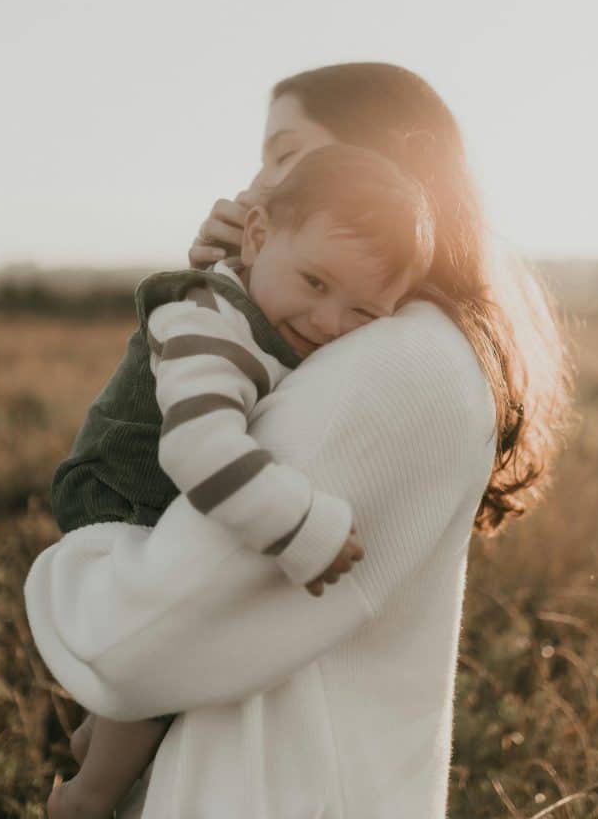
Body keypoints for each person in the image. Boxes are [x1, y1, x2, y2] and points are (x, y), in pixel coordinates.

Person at [25, 63, 572, 818]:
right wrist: (226, 280)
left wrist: (71, 583)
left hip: (274, 787)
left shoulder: (386, 359)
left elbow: (133, 637)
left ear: (382, 171)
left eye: (286, 155)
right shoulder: (381, 337)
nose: (260, 179)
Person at [44, 143, 435, 819]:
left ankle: (97, 736)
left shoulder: (278, 313)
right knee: (168, 651)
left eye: (363, 313)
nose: (326, 322)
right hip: (120, 490)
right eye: (314, 283)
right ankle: (86, 799)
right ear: (256, 237)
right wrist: (299, 527)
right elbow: (198, 448)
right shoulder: (209, 327)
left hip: (171, 483)